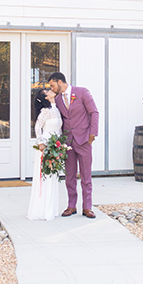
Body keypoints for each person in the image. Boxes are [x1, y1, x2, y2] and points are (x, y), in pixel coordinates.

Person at [48, 72, 99, 218]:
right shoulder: (57, 99)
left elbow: (94, 112)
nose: (52, 88)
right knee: (69, 175)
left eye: (52, 85)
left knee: (85, 175)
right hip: (67, 142)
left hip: (84, 140)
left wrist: (92, 133)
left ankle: (87, 207)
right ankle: (71, 206)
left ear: (59, 81)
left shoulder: (82, 92)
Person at [27, 88, 63, 220]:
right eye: (47, 91)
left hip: (56, 145)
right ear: (46, 97)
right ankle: (41, 209)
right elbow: (37, 127)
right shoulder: (45, 111)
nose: (50, 90)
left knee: (53, 176)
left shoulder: (57, 109)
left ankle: (50, 208)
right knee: (45, 176)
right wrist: (41, 142)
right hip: (46, 145)